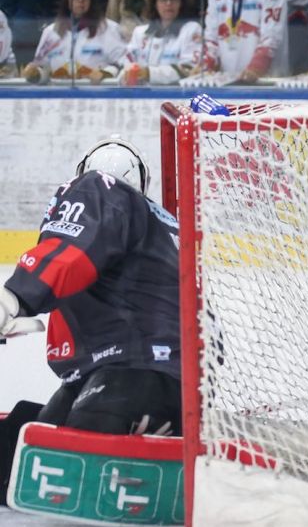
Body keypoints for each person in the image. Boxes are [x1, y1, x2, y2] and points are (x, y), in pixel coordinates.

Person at [0, 137, 181, 501]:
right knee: (28, 436)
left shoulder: (102, 190)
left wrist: (15, 297)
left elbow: (72, 251)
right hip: (164, 384)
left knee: (54, 460)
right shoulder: (170, 229)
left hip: (133, 372)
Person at [22, 0, 124, 83]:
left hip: (96, 94)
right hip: (59, 94)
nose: (80, 0)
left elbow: (122, 63)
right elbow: (42, 67)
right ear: (68, 0)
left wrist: (105, 73)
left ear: (91, 0)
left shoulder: (108, 28)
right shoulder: (51, 32)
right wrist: (35, 73)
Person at [120, 0, 202, 85]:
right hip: (142, 97)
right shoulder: (140, 33)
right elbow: (127, 63)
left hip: (175, 97)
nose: (169, 3)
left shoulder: (192, 30)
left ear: (181, 3)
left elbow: (189, 68)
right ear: (155, 3)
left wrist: (149, 73)